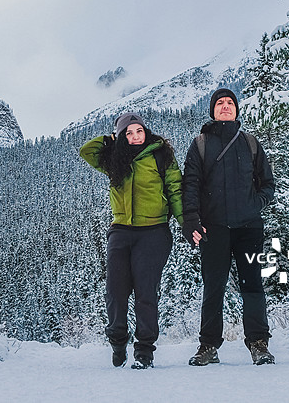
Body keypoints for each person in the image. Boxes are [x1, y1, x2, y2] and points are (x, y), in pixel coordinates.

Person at [80, 112, 184, 369]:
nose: (135, 136)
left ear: (146, 131)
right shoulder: (114, 159)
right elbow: (87, 151)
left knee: (145, 292)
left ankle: (144, 351)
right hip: (121, 230)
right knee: (115, 291)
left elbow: (175, 190)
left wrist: (187, 224)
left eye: (139, 130)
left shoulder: (161, 155)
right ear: (122, 137)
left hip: (154, 231)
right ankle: (118, 340)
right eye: (129, 133)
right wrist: (111, 140)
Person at [182, 88, 276, 366]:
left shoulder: (250, 143)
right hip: (214, 229)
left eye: (230, 103)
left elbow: (268, 183)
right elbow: (190, 185)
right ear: (213, 110)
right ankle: (208, 346)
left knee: (253, 285)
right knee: (214, 287)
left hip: (249, 228)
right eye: (220, 103)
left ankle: (259, 344)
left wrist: (255, 204)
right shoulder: (200, 144)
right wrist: (192, 220)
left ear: (236, 109)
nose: (225, 106)